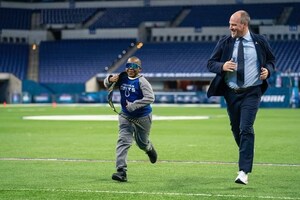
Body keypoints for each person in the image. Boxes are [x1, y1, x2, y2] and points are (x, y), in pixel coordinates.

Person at [207, 10, 275, 185]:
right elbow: (210, 63)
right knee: (237, 130)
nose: (231, 27)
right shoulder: (225, 42)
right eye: (230, 24)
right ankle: (247, 152)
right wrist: (223, 66)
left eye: (234, 24)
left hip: (252, 92)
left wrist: (268, 71)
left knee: (246, 128)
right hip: (232, 93)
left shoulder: (260, 42)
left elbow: (271, 61)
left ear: (244, 25)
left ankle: (243, 171)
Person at [104, 56, 157, 182]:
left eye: (134, 66)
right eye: (128, 66)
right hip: (125, 116)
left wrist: (133, 105)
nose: (130, 69)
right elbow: (107, 85)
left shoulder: (142, 81)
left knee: (141, 143)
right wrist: (110, 79)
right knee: (123, 141)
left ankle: (149, 149)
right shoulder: (122, 77)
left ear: (139, 69)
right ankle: (121, 171)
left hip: (142, 117)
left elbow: (150, 98)